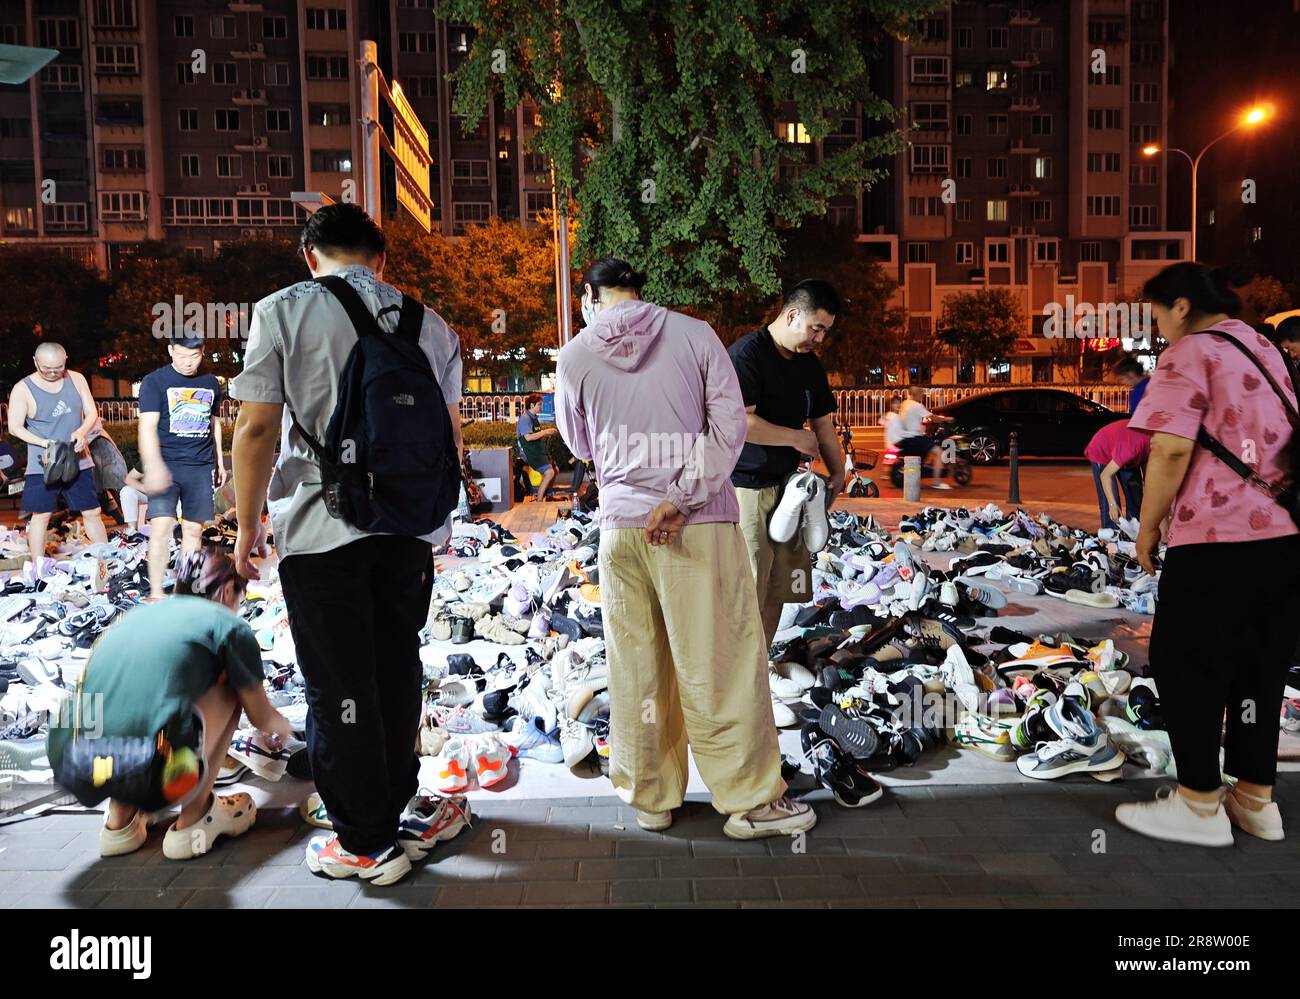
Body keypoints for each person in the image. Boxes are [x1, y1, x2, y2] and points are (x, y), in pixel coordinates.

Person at [230, 203, 465, 886]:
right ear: (382, 259)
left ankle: (365, 842)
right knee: (394, 668)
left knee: (339, 685)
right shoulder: (432, 324)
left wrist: (247, 525)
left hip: (322, 525)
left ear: (311, 256)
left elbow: (255, 430)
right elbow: (447, 437)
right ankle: (392, 810)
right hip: (409, 530)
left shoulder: (283, 309)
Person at [556, 257, 816, 841]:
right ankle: (748, 802)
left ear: (590, 297)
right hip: (696, 526)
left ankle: (651, 798)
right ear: (642, 291)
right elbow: (729, 430)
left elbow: (580, 443)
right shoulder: (695, 335)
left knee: (637, 668)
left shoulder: (573, 356)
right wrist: (681, 497)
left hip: (621, 529)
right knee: (719, 662)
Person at [1116, 262, 1300, 847]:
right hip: (1285, 535)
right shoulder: (1263, 347)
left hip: (1217, 537)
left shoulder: (1191, 351)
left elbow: (1169, 450)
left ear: (1180, 307)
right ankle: (1255, 799)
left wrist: (1146, 529)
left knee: (1184, 661)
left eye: (1157, 317)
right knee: (1258, 669)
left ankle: (1197, 804)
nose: (1158, 332)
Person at [46, 549, 293, 860]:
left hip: (76, 759)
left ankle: (119, 825)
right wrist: (282, 727)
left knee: (132, 707)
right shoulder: (227, 626)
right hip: (155, 768)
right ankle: (196, 819)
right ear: (229, 590)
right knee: (234, 686)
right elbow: (261, 716)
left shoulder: (137, 614)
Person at [728, 280, 846, 648]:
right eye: (816, 328)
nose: (820, 338)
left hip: (790, 490)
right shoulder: (747, 355)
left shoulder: (810, 365)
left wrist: (839, 472)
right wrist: (795, 438)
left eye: (826, 331)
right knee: (748, 586)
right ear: (793, 315)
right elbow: (741, 424)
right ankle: (737, 673)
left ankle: (760, 664)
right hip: (746, 488)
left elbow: (824, 426)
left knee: (781, 584)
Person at [6, 342, 108, 573]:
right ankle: (39, 568)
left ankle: (106, 562)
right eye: (47, 368)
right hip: (42, 464)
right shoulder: (23, 388)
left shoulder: (77, 379)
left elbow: (92, 412)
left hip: (78, 459)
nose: (53, 372)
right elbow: (14, 427)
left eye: (58, 367)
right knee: (40, 516)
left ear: (66, 360)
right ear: (35, 362)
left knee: (92, 512)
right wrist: (43, 442)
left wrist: (82, 431)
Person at [137, 336, 226, 600]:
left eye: (194, 356)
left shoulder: (211, 383)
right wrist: (153, 467)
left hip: (199, 467)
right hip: (166, 465)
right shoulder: (154, 382)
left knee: (193, 530)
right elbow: (147, 427)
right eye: (181, 356)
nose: (187, 363)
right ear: (170, 351)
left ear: (203, 352)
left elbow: (214, 424)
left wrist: (219, 461)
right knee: (162, 527)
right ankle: (155, 592)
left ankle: (188, 590)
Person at [1084, 418, 1149, 532]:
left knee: (1136, 496)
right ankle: (1111, 538)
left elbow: (1150, 483)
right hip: (1102, 451)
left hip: (1123, 449)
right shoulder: (1134, 446)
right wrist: (1112, 504)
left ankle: (1133, 533)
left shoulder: (1154, 449)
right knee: (1111, 501)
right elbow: (1105, 475)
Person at [897, 384, 954, 489]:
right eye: (920, 394)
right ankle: (936, 482)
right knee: (939, 452)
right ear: (916, 395)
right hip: (915, 437)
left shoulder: (905, 403)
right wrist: (947, 419)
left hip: (906, 437)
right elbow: (933, 418)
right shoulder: (917, 405)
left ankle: (917, 469)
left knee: (926, 448)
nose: (922, 396)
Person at [516, 392, 559, 500]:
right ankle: (539, 501)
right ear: (532, 405)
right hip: (528, 453)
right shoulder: (525, 418)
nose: (541, 407)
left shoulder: (533, 418)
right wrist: (545, 432)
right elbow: (528, 438)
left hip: (536, 450)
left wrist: (546, 434)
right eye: (539, 404)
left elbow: (535, 436)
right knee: (550, 472)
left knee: (555, 469)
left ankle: (546, 493)